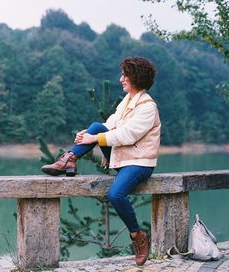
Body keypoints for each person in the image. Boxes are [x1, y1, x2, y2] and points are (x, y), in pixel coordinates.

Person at [41, 56, 161, 266]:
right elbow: (110, 123)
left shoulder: (147, 106)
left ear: (136, 77)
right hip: (123, 158)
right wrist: (88, 133)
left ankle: (138, 236)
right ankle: (69, 159)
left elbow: (128, 135)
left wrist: (94, 138)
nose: (121, 79)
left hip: (140, 163)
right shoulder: (128, 100)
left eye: (125, 75)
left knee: (116, 194)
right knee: (97, 125)